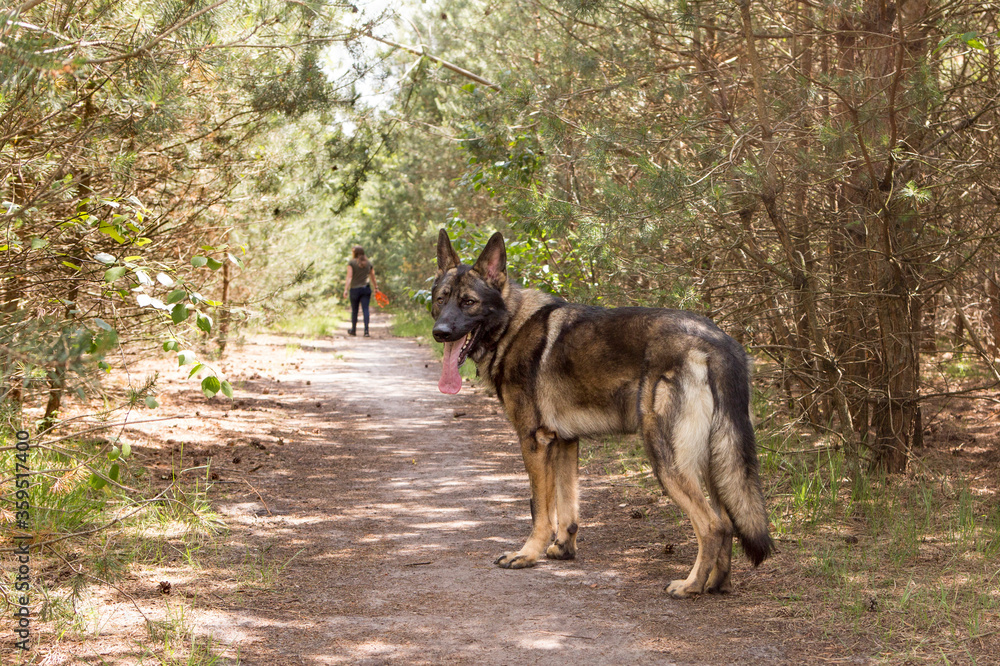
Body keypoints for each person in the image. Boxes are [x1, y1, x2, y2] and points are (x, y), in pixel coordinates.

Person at [343, 245, 378, 337]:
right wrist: (376, 287)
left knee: (354, 310)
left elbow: (349, 276)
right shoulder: (368, 263)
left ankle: (353, 330)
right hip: (366, 289)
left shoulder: (352, 263)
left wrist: (346, 289)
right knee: (365, 309)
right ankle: (366, 331)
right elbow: (372, 277)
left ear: (354, 253)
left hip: (354, 290)